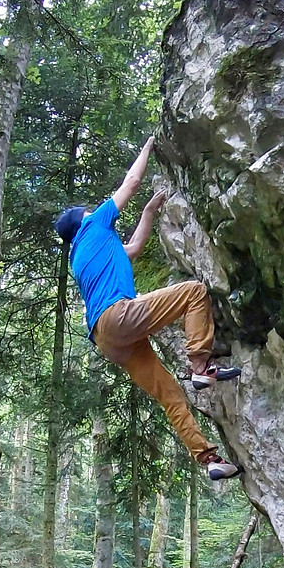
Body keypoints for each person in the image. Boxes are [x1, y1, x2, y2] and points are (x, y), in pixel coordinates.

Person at [55, 136, 242, 481]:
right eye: (88, 212)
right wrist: (147, 147)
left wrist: (149, 212)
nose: (94, 211)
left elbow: (135, 248)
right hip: (118, 316)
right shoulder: (94, 225)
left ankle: (209, 460)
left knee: (169, 394)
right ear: (83, 220)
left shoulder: (83, 254)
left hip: (108, 340)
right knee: (193, 292)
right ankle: (201, 365)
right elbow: (132, 182)